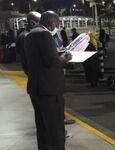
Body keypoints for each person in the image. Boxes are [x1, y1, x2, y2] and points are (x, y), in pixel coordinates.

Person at [24, 11, 72, 150]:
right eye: (56, 24)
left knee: (43, 128)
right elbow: (53, 61)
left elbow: (38, 60)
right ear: (50, 23)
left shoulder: (31, 34)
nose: (56, 27)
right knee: (55, 129)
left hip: (36, 88)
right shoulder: (44, 34)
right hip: (49, 90)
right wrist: (66, 58)